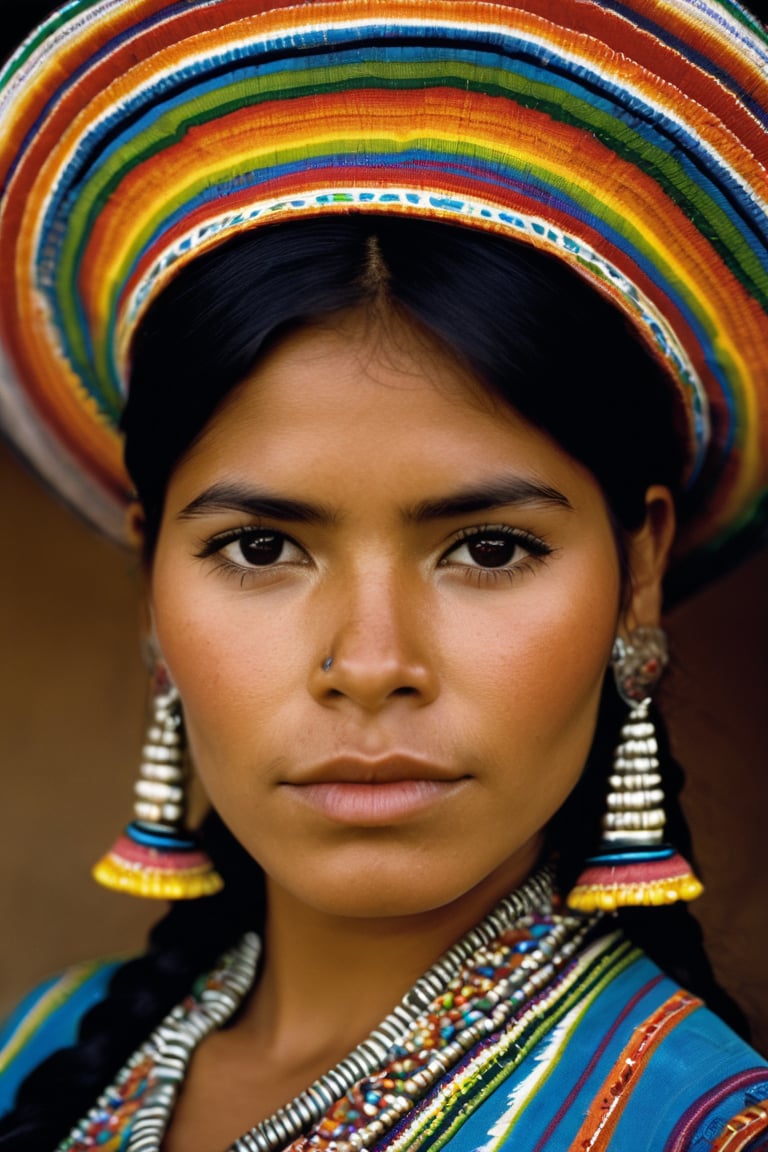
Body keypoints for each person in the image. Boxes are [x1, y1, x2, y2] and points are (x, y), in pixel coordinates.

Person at [0, 1, 766, 1150]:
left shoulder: (704, 1127)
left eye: (488, 549)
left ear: (637, 571)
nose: (370, 666)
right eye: (260, 549)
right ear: (152, 573)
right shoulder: (35, 1054)